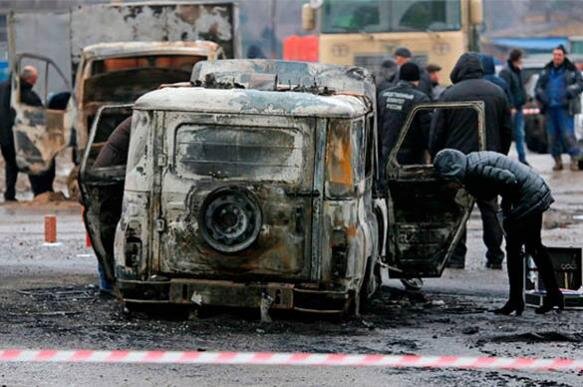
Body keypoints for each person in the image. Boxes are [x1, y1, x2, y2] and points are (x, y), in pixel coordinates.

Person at [434, 149, 563, 315]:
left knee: (519, 249)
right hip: (532, 190)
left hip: (529, 196)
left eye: (448, 181)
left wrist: (508, 208)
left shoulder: (475, 169)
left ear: (454, 172)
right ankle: (548, 295)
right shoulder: (471, 163)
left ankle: (520, 300)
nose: (449, 185)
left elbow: (508, 180)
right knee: (530, 247)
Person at [430, 52, 513, 270]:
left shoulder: (449, 94)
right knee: (491, 210)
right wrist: (499, 156)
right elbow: (507, 130)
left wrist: (437, 160)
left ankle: (457, 258)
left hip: (458, 166)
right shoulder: (497, 93)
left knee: (458, 211)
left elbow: (437, 133)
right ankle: (495, 256)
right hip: (488, 162)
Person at [92, 116, 132, 295]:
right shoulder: (143, 120)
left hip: (107, 177)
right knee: (109, 231)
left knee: (107, 230)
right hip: (108, 180)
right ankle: (108, 283)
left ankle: (107, 282)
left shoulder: (133, 120)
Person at [377, 62, 431, 178]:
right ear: (417, 80)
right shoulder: (420, 98)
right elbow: (427, 130)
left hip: (386, 152)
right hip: (412, 156)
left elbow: (377, 124)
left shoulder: (383, 95)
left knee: (387, 186)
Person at [0, 66, 45, 201]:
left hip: (3, 134)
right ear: (29, 79)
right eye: (34, 80)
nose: (35, 83)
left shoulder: (3, 87)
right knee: (30, 161)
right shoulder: (24, 92)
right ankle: (38, 193)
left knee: (11, 163)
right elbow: (39, 111)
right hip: (18, 133)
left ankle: (9, 193)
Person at [535, 44, 583, 171]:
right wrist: (541, 95)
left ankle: (574, 160)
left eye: (559, 55)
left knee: (568, 135)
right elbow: (538, 87)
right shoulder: (546, 70)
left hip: (565, 109)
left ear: (564, 56)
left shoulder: (571, 70)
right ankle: (557, 161)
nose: (557, 57)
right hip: (550, 109)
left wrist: (569, 91)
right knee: (552, 137)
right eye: (555, 54)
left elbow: (580, 84)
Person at [500, 49, 529, 165]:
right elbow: (505, 90)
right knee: (508, 135)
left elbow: (519, 88)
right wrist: (510, 106)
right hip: (511, 109)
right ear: (517, 58)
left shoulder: (517, 70)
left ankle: (522, 159)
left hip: (518, 107)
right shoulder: (506, 72)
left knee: (520, 135)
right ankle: (503, 160)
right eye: (521, 58)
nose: (522, 60)